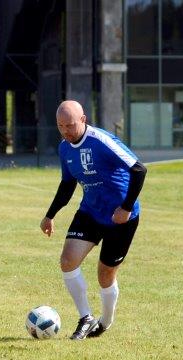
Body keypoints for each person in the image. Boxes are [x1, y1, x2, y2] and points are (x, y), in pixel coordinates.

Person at [40, 100, 147, 340]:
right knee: (68, 260)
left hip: (121, 217)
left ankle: (105, 322)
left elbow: (139, 170)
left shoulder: (101, 141)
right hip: (90, 211)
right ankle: (86, 317)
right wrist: (50, 215)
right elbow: (67, 184)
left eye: (70, 125)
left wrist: (126, 207)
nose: (65, 131)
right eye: (60, 126)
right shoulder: (64, 148)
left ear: (83, 120)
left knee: (105, 275)